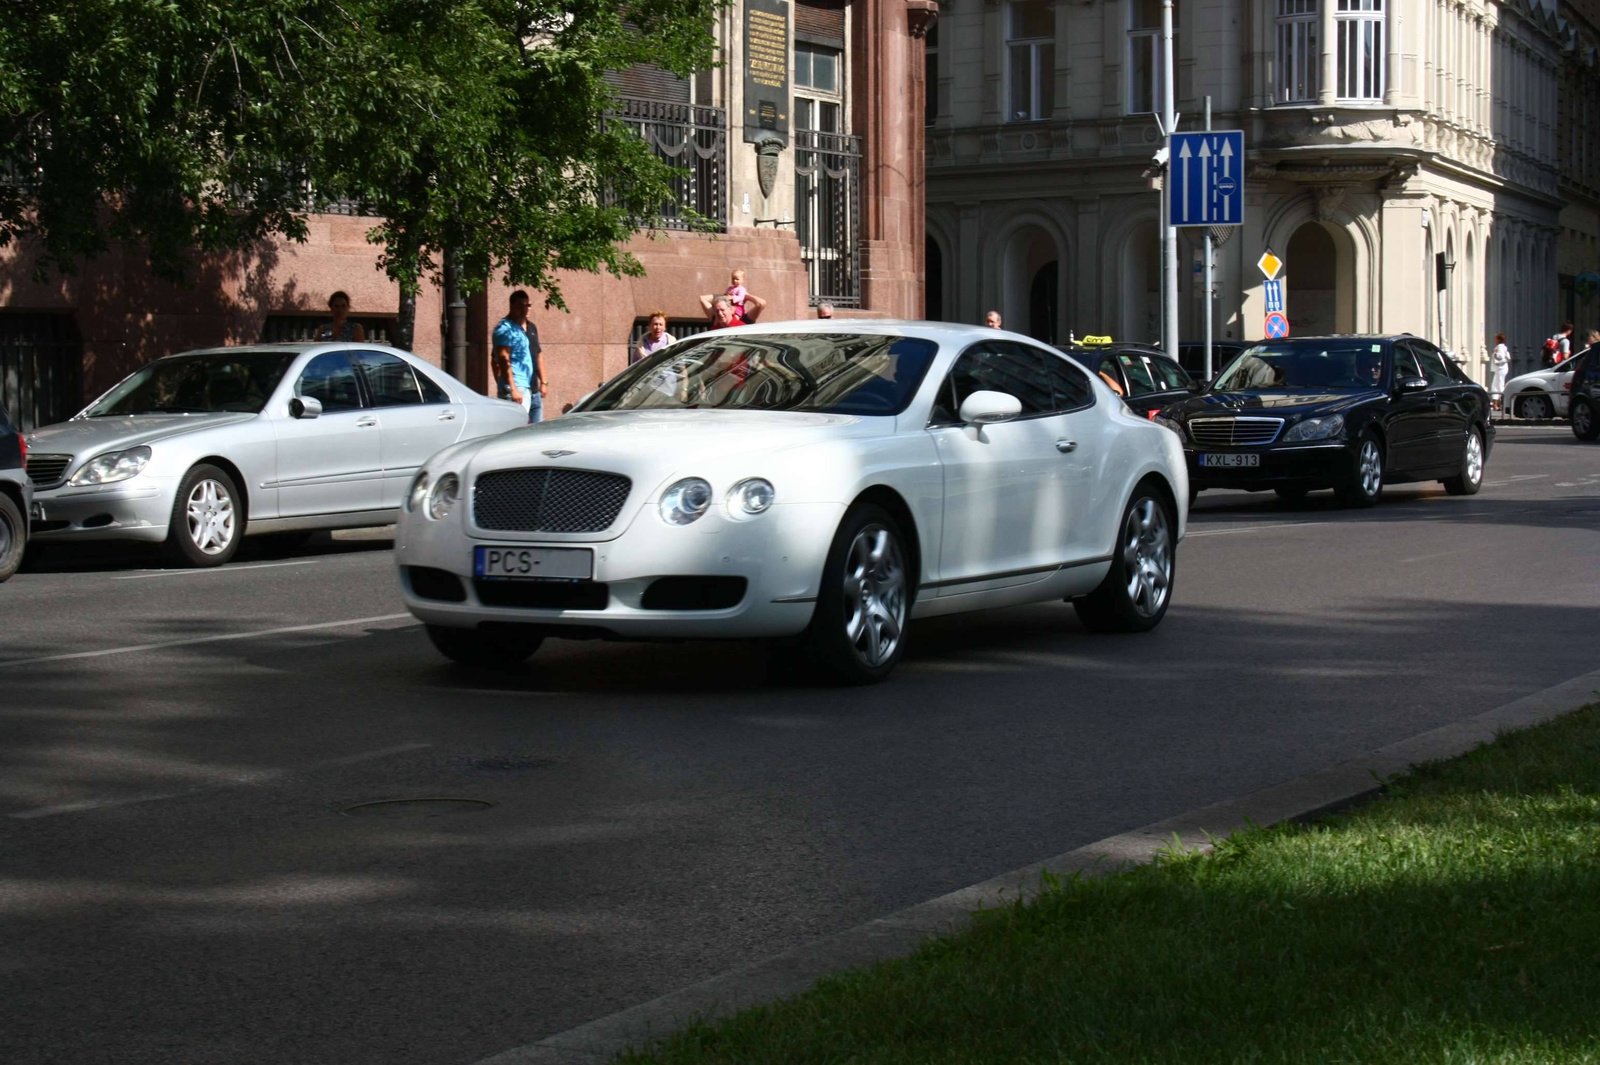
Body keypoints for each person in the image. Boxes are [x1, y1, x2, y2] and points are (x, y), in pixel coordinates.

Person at [490, 290, 546, 423]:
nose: (526, 309)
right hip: (516, 388)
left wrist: (543, 381)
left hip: (527, 386)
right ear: (512, 306)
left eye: (528, 305)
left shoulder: (521, 328)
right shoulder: (504, 329)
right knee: (517, 430)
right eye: (521, 305)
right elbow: (503, 360)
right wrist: (512, 389)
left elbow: (537, 355)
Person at [702, 274, 766, 324]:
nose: (720, 313)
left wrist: (746, 296)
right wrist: (725, 297)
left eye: (722, 310)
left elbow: (761, 303)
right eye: (718, 310)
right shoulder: (717, 317)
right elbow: (703, 299)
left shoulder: (743, 321)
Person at [1490, 333, 1510, 413]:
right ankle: (1496, 404)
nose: (1494, 340)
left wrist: (1495, 353)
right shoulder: (1502, 347)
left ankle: (1500, 404)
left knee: (1498, 385)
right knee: (1496, 385)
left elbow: (1500, 356)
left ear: (1499, 339)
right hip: (1500, 369)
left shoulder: (1500, 347)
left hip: (1500, 369)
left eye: (1496, 338)